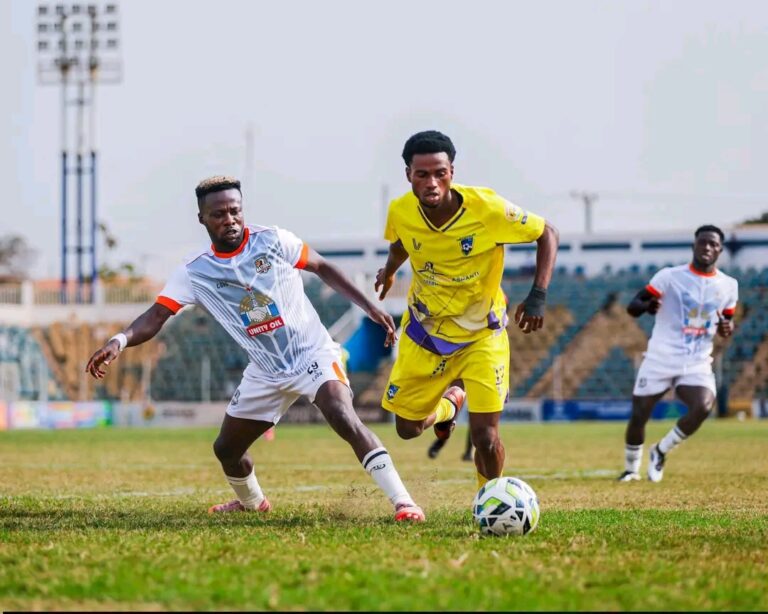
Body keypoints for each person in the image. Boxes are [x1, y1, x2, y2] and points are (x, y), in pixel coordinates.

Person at [85, 175, 425, 522]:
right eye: (219, 214)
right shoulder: (194, 271)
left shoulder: (274, 240)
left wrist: (370, 307)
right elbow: (157, 315)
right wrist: (119, 340)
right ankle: (252, 502)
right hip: (265, 370)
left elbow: (323, 267)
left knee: (342, 415)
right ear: (202, 218)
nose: (230, 219)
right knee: (226, 450)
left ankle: (404, 503)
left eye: (235, 211)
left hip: (312, 354)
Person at [375, 131, 559, 489]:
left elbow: (547, 233)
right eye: (422, 174)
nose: (432, 182)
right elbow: (401, 243)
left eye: (440, 173)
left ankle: (489, 500)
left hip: (482, 335)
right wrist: (390, 269)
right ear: (408, 174)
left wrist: (538, 294)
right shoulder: (400, 210)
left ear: (452, 172)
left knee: (486, 437)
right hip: (426, 333)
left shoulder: (487, 209)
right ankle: (450, 404)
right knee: (407, 428)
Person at [618, 225, 738, 482]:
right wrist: (647, 305)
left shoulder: (729, 285)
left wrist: (727, 327)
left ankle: (661, 450)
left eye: (713, 244)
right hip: (660, 357)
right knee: (639, 414)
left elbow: (727, 322)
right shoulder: (669, 277)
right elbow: (633, 306)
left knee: (703, 406)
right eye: (703, 242)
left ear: (720, 250)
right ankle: (631, 470)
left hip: (697, 361)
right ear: (694, 245)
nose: (707, 247)